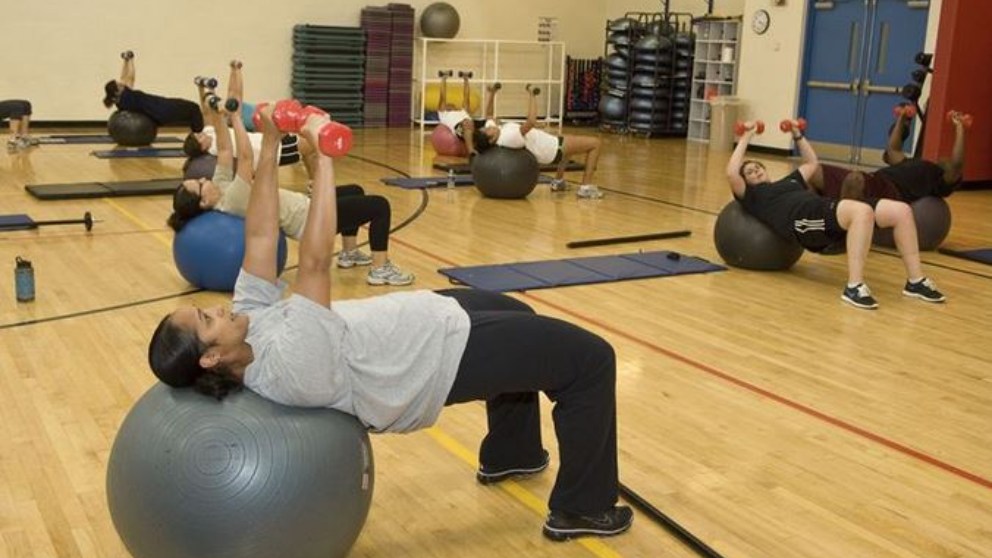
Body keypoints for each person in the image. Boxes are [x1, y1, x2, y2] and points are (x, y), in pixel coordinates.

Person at [147, 104, 633, 542]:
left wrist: (272, 144)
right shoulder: (287, 366)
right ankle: (582, 507)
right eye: (206, 320)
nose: (216, 308)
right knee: (590, 360)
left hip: (423, 317)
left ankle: (512, 453)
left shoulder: (248, 322)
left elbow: (259, 232)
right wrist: (325, 155)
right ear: (211, 357)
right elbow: (315, 263)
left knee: (520, 314)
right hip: (433, 359)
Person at [167, 63, 412, 286]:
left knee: (355, 191)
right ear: (203, 201)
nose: (203, 178)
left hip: (307, 207)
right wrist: (235, 118)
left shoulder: (220, 187)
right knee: (380, 206)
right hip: (310, 222)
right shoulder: (232, 199)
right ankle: (381, 269)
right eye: (200, 184)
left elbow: (223, 148)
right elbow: (244, 158)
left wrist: (218, 118)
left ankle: (349, 253)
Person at [727, 119, 946, 310]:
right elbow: (731, 172)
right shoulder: (753, 197)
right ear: (744, 181)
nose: (755, 171)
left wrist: (797, 134)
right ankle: (854, 286)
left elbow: (812, 163)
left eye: (758, 167)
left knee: (901, 211)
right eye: (749, 172)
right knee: (862, 211)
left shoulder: (790, 181)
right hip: (803, 224)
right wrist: (747, 135)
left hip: (825, 208)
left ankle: (916, 281)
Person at [809, 109, 969, 202]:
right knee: (812, 172)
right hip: (873, 181)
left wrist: (959, 127)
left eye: (950, 163)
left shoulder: (939, 180)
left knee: (855, 179)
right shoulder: (914, 163)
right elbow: (893, 149)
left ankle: (841, 234)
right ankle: (816, 221)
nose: (947, 158)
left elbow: (957, 163)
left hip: (889, 192)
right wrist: (902, 118)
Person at [473, 84, 603, 198]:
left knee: (571, 143)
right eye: (486, 130)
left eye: (485, 127)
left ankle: (558, 183)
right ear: (491, 140)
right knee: (595, 143)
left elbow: (489, 115)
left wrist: (492, 93)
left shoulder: (496, 132)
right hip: (552, 149)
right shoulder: (508, 136)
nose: (488, 126)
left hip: (551, 145)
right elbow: (530, 122)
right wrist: (532, 95)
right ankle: (585, 188)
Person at [102, 51, 204, 133]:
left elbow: (124, 76)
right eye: (119, 85)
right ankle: (199, 135)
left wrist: (126, 60)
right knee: (193, 108)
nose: (121, 83)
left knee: (190, 110)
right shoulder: (127, 98)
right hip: (162, 110)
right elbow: (130, 77)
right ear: (117, 92)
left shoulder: (121, 100)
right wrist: (131, 60)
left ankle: (197, 134)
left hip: (161, 105)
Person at [435, 70, 490, 155]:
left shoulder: (463, 111)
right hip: (460, 127)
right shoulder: (443, 113)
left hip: (473, 124)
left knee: (491, 121)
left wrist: (466, 79)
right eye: (447, 104)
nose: (450, 104)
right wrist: (444, 79)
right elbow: (442, 96)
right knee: (467, 123)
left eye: (452, 104)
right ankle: (471, 151)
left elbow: (466, 96)